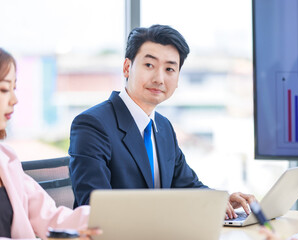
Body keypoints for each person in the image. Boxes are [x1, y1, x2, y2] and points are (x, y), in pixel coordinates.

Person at [68, 24, 255, 218]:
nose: (159, 78)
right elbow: (95, 206)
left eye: (169, 69)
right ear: (127, 67)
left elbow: (187, 185)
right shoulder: (92, 125)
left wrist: (219, 201)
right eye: (149, 65)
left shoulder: (163, 127)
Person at [0, 48, 101, 239]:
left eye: (14, 89)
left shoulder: (6, 159)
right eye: (4, 89)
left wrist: (104, 220)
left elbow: (50, 217)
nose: (14, 100)